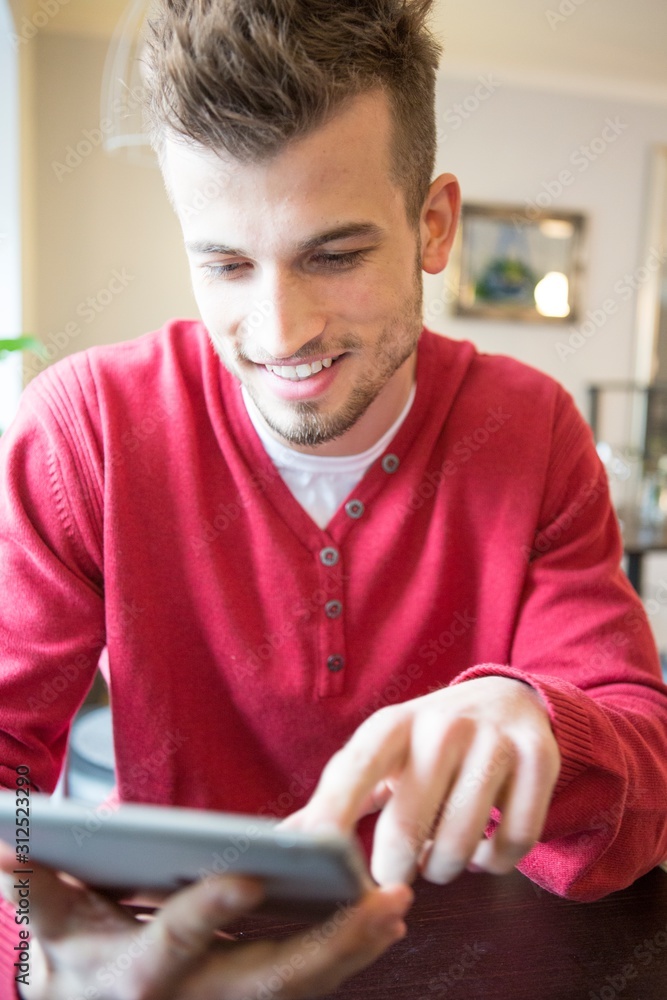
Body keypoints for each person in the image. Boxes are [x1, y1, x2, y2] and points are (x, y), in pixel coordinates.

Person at [1, 0, 666, 996]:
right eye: (224, 263)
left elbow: (635, 792)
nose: (280, 332)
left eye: (334, 255)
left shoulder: (531, 433)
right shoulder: (82, 430)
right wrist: (37, 957)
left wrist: (543, 723)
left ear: (432, 225)